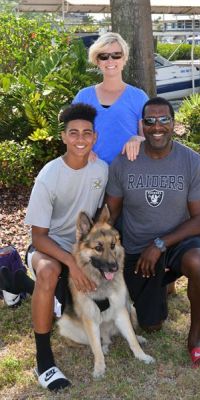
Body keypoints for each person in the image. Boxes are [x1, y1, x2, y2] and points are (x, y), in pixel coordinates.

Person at [105, 96, 200, 368]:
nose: (157, 126)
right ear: (141, 126)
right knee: (151, 325)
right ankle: (162, 285)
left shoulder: (191, 161)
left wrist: (160, 244)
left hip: (177, 240)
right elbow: (111, 213)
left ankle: (196, 339)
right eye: (150, 121)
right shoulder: (124, 162)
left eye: (164, 119)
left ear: (173, 124)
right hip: (136, 249)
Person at [24, 103, 108, 391]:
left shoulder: (101, 169)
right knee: (48, 272)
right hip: (47, 248)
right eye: (74, 133)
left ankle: (16, 283)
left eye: (87, 133)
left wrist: (85, 259)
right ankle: (44, 360)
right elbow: (39, 238)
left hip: (77, 250)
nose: (80, 139)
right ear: (63, 137)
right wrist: (72, 264)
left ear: (95, 138)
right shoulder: (49, 176)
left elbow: (94, 221)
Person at [72, 32, 149, 165]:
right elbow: (72, 135)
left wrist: (138, 139)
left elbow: (148, 138)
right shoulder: (83, 96)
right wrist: (83, 151)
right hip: (92, 173)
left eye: (116, 55)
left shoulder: (139, 97)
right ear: (97, 61)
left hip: (129, 173)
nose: (110, 60)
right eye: (104, 56)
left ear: (124, 59)